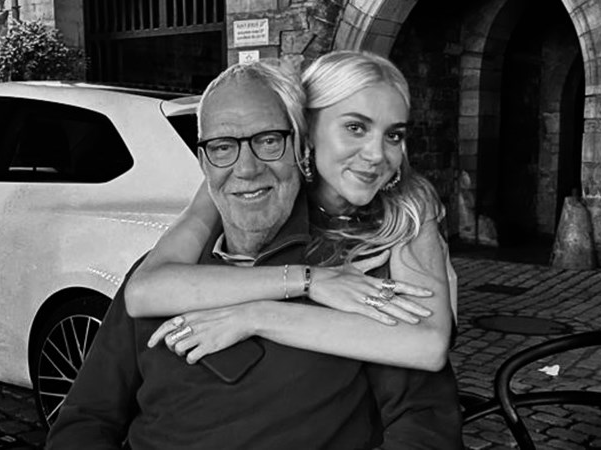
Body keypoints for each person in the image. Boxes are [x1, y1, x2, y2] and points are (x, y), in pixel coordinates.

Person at [45, 58, 462, 449]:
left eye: (268, 141)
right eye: (223, 147)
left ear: (300, 149)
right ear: (204, 162)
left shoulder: (363, 267)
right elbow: (87, 416)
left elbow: (425, 422)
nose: (246, 169)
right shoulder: (164, 273)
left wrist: (263, 313)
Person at [125, 50, 458, 372]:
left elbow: (429, 345)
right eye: (355, 127)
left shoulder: (408, 204)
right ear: (307, 130)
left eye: (393, 135)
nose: (376, 154)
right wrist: (310, 281)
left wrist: (256, 315)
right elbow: (145, 291)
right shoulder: (260, 181)